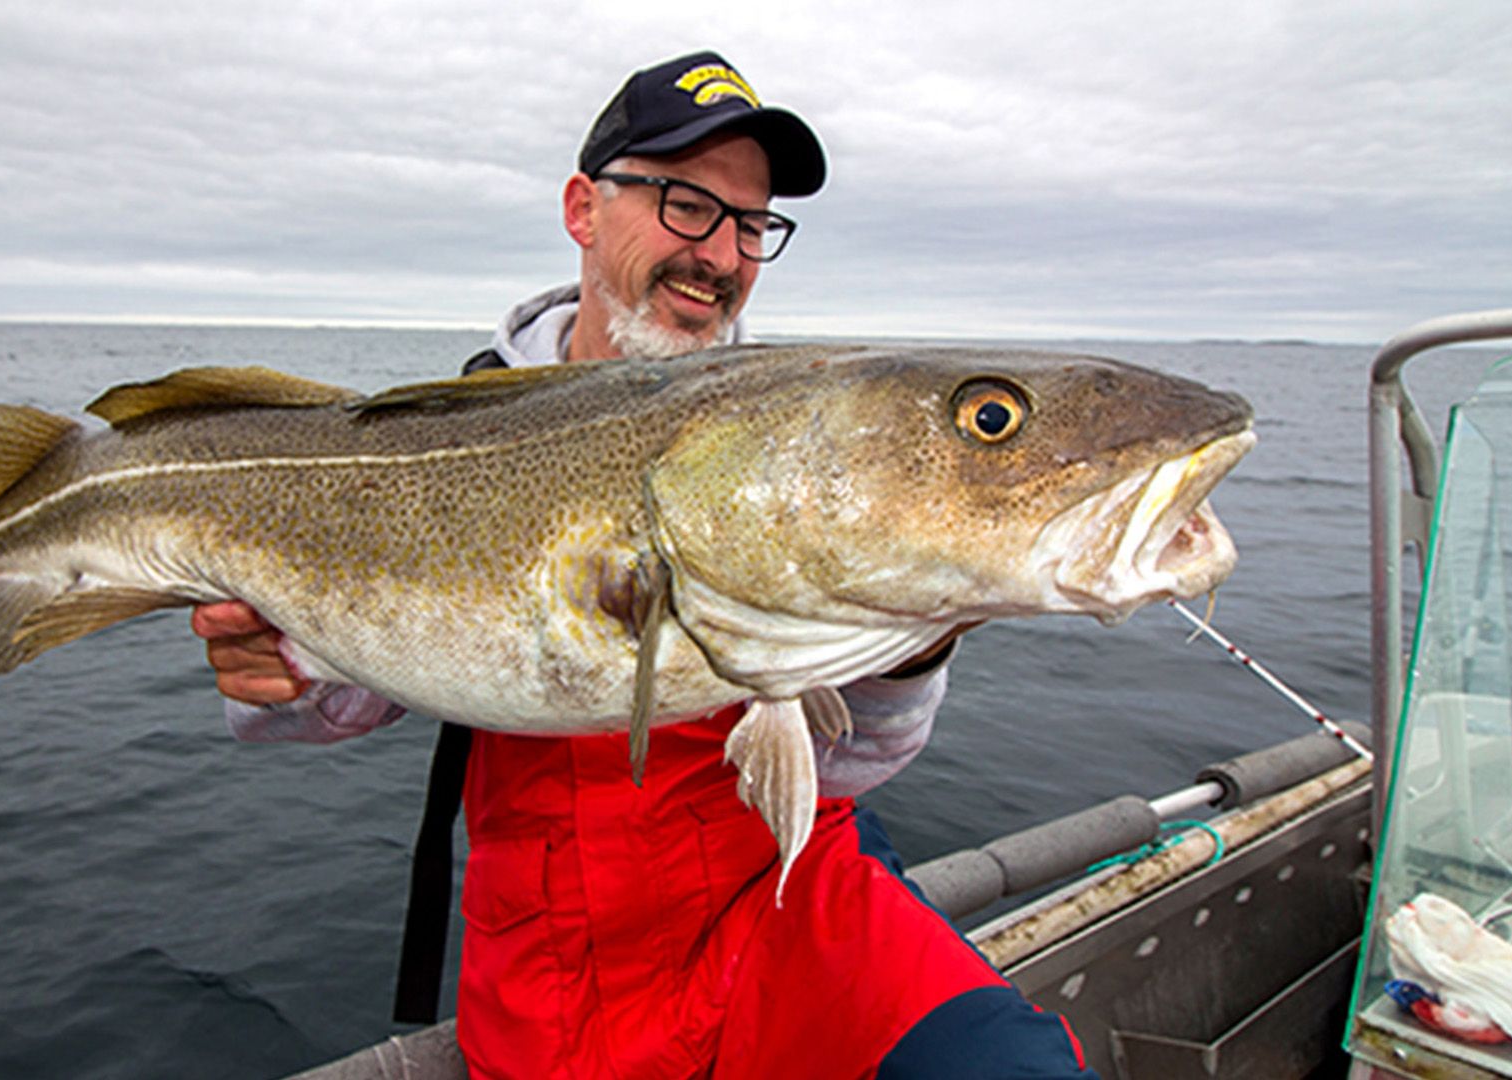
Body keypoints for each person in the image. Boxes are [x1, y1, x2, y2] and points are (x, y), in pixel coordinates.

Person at [195, 52, 1095, 1079]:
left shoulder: (805, 439)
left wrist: (913, 640)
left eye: (751, 225)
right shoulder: (438, 429)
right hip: (555, 956)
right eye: (685, 204)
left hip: (792, 902)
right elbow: (330, 702)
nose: (720, 254)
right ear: (584, 209)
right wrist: (276, 674)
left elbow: (848, 764)